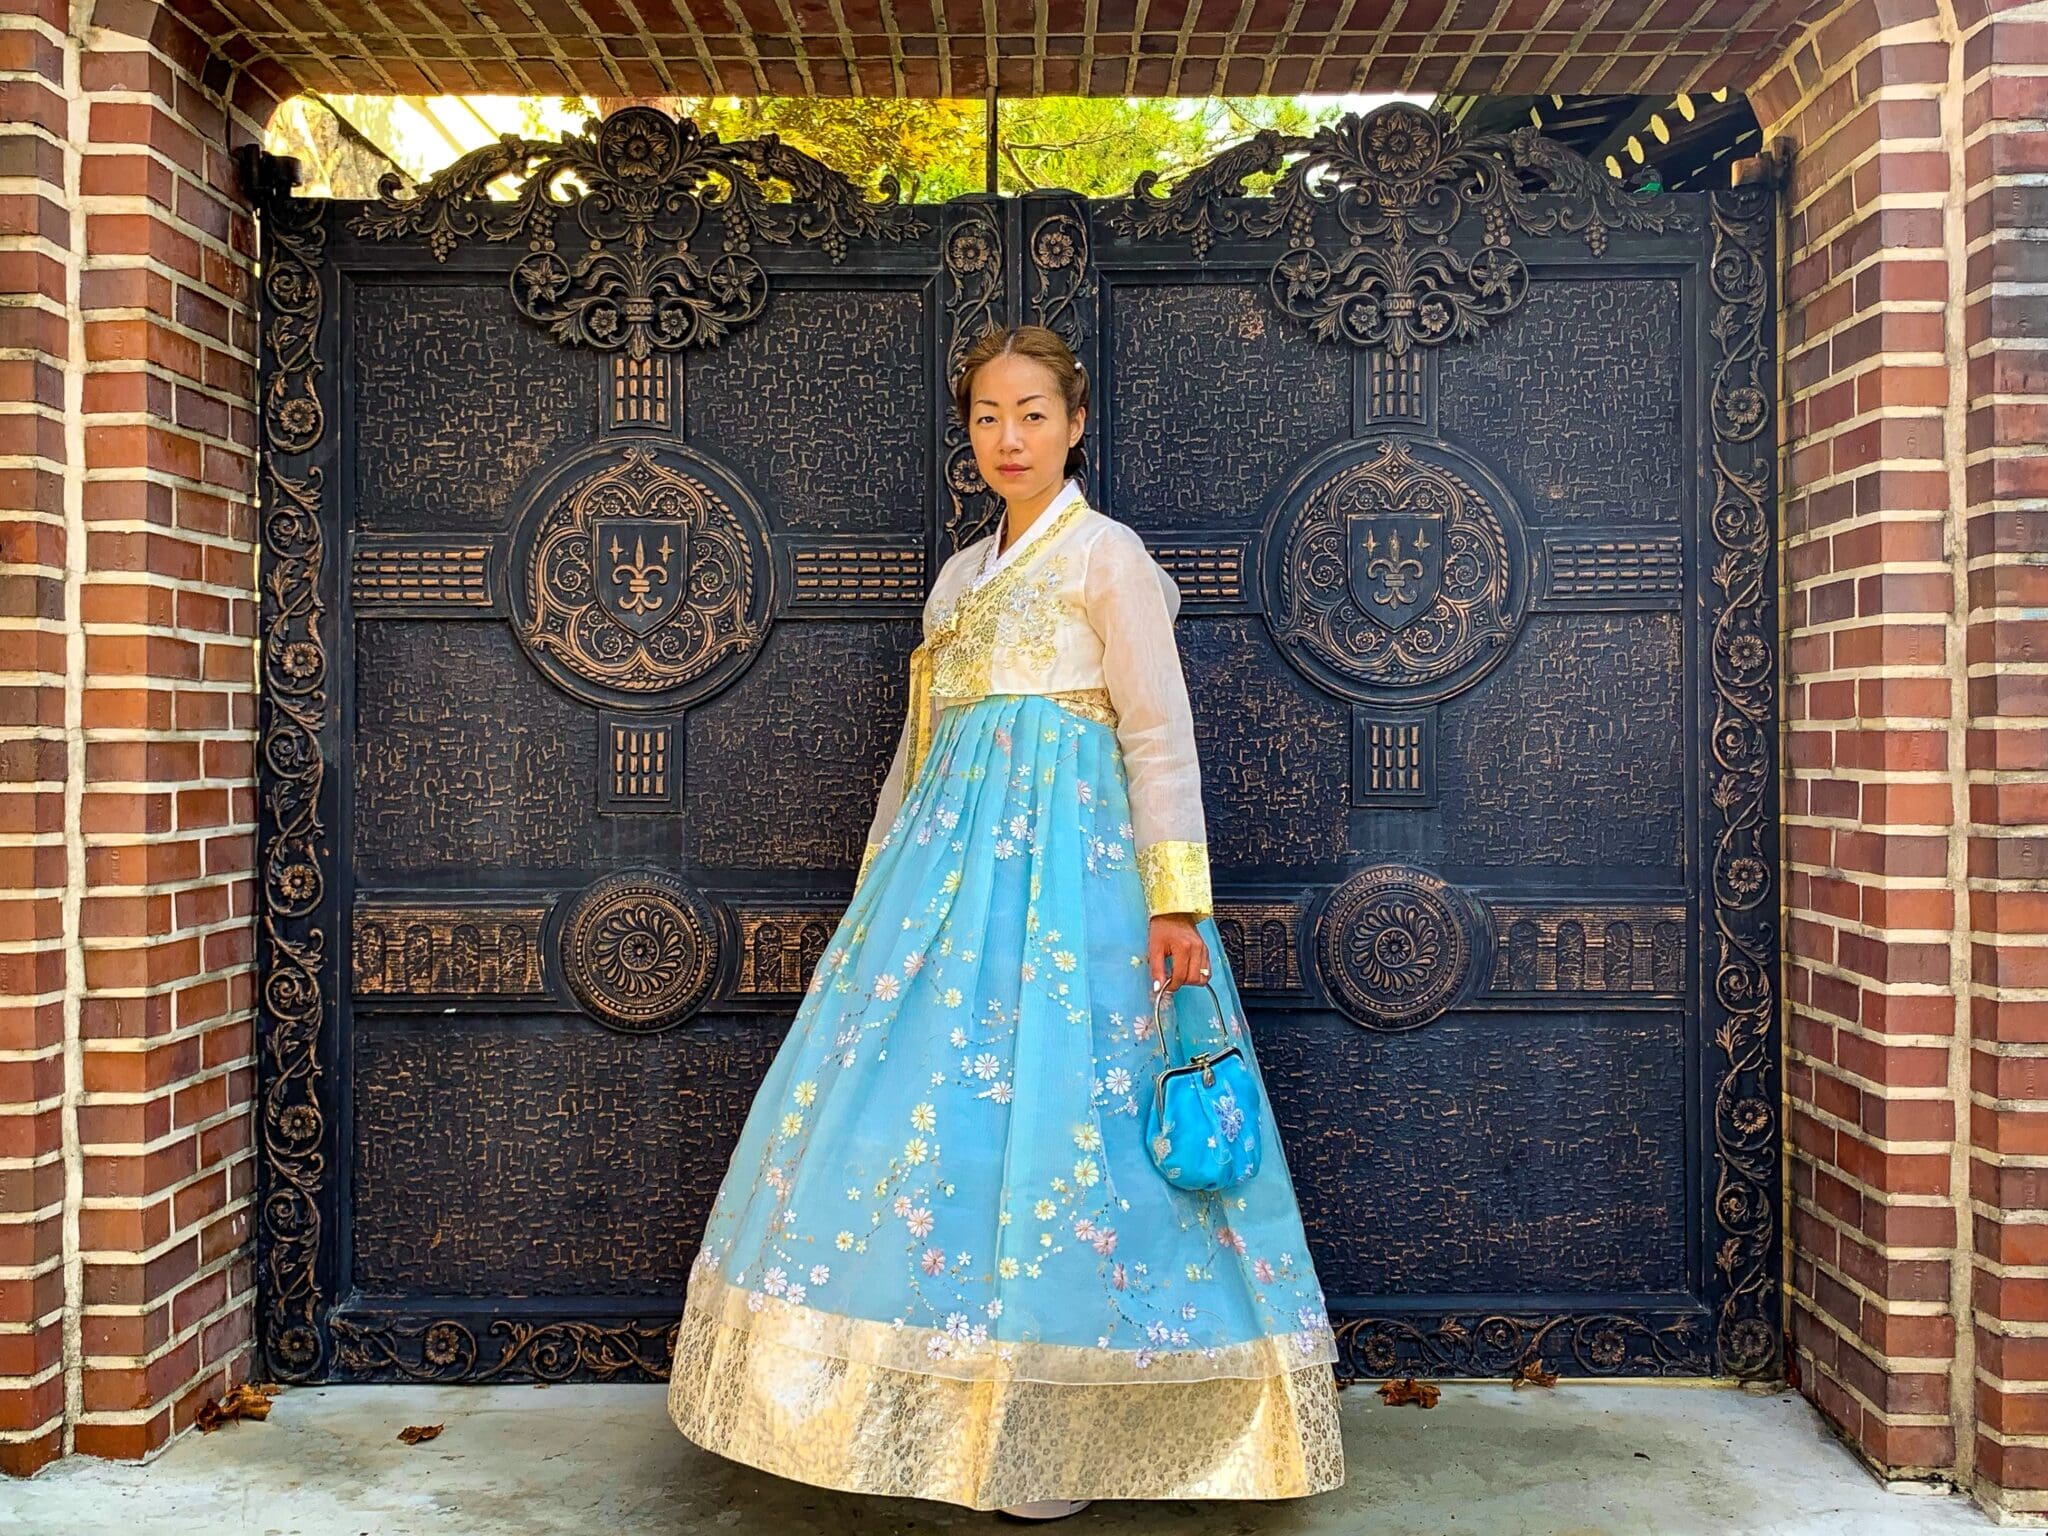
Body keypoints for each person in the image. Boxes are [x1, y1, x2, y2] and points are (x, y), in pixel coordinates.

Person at [667, 325, 1345, 1517]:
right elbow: (919, 748)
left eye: (1030, 413)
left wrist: (1174, 899)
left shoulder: (1108, 557)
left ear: (1073, 424)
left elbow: (1155, 728)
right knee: (938, 1123)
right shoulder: (958, 576)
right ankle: (925, 1414)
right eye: (986, 416)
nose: (1008, 437)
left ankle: (1062, 1426)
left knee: (1070, 1119)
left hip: (1077, 878)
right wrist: (878, 883)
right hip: (942, 887)